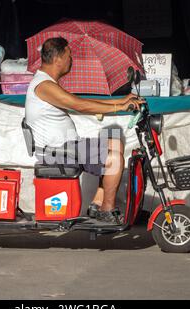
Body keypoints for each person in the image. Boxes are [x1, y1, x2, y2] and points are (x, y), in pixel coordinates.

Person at [25, 37, 144, 223]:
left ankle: (96, 204)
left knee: (114, 141)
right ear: (58, 59)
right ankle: (107, 210)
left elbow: (80, 102)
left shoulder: (47, 83)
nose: (71, 60)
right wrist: (119, 107)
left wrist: (122, 100)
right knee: (114, 158)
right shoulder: (44, 86)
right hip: (56, 152)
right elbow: (79, 105)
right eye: (69, 55)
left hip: (64, 146)